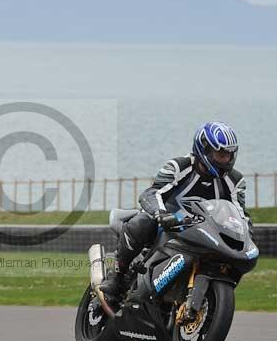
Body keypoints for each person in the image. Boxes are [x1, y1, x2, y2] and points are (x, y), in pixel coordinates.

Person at [98, 121, 252, 304]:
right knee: (142, 222)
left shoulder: (235, 181)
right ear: (205, 149)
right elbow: (152, 193)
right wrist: (160, 214)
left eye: (228, 155)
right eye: (220, 154)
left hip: (203, 230)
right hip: (168, 222)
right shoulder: (179, 166)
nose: (225, 160)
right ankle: (117, 273)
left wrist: (246, 232)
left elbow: (240, 213)